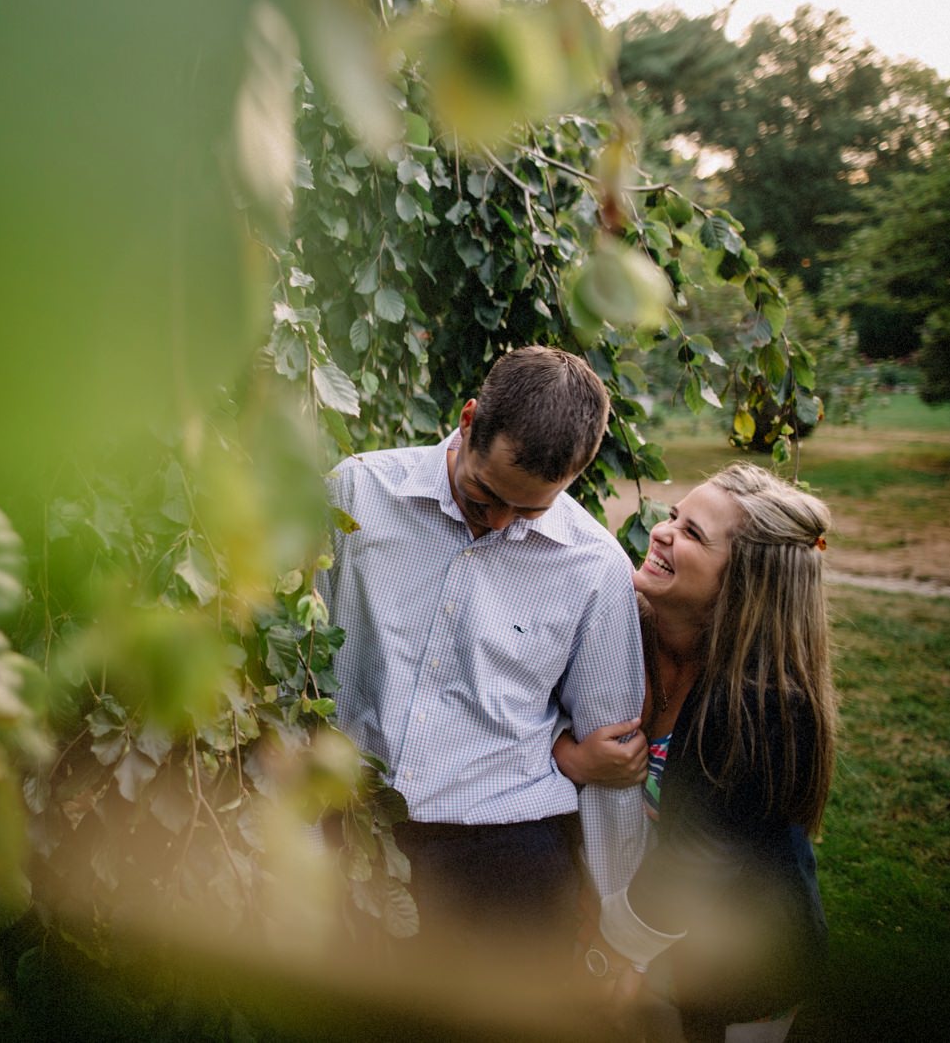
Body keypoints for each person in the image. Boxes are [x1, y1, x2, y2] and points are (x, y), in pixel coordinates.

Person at [320, 346, 646, 954]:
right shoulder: (356, 494)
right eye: (483, 495)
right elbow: (292, 679)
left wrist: (614, 921)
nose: (498, 523)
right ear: (468, 421)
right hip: (348, 836)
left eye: (529, 510)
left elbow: (612, 760)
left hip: (509, 862)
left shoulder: (596, 570)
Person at [557, 463, 836, 1042]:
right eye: (675, 516)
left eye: (692, 535)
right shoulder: (624, 632)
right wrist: (571, 756)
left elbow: (698, 856)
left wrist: (618, 952)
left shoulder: (767, 707)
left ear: (740, 585)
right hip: (641, 915)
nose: (660, 531)